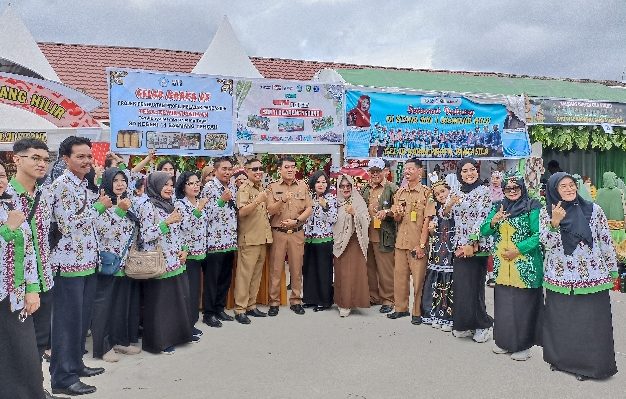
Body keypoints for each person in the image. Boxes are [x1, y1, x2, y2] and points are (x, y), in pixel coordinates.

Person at [540, 172, 618, 380]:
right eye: (562, 186)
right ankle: (562, 361)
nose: (568, 189)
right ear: (554, 191)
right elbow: (544, 245)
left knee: (590, 324)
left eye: (571, 185)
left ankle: (589, 367)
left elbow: (605, 241)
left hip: (592, 277)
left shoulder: (594, 210)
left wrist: (612, 270)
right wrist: (554, 224)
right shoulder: (547, 212)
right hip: (560, 278)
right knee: (563, 323)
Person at [49, 136, 112, 396]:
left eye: (89, 156)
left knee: (80, 322)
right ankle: (63, 378)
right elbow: (67, 224)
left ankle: (75, 364)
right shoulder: (61, 186)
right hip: (68, 266)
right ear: (66, 159)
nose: (87, 161)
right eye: (80, 156)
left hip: (87, 262)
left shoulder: (85, 185)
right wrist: (99, 207)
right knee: (66, 323)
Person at [7, 139, 57, 398]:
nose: (41, 163)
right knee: (18, 346)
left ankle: (36, 388)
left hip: (45, 280)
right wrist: (28, 287)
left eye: (45, 159)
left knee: (38, 342)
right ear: (17, 159)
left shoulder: (45, 194)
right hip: (17, 287)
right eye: (35, 158)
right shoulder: (6, 196)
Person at [480, 173, 543, 361]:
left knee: (524, 308)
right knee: (505, 307)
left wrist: (518, 250)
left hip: (525, 267)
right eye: (508, 188)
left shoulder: (532, 206)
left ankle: (523, 346)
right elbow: (484, 230)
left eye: (516, 188)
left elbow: (539, 235)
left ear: (522, 188)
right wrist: (494, 221)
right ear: (503, 190)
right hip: (502, 268)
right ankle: (504, 342)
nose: (512, 191)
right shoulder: (498, 206)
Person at [0, 160, 48, 399]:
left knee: (23, 352)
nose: (0, 181)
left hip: (15, 295)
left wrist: (32, 288)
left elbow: (28, 250)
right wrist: (7, 230)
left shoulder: (11, 205)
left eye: (1, 175)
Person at [140, 172, 195, 354]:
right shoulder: (148, 206)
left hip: (176, 259)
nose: (169, 188)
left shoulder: (172, 205)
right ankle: (160, 342)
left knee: (175, 302)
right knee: (160, 305)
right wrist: (167, 222)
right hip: (159, 261)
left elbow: (181, 231)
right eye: (165, 184)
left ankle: (177, 336)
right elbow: (146, 235)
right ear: (155, 186)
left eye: (171, 185)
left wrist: (184, 249)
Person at [92, 168, 139, 363]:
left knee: (121, 305)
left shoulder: (128, 202)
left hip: (125, 263)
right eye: (115, 180)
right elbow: (102, 231)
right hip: (109, 262)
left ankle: (120, 340)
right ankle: (103, 347)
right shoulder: (102, 203)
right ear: (107, 183)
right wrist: (120, 211)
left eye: (123, 180)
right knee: (104, 306)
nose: (120, 184)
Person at [448, 157, 494, 343]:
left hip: (477, 246)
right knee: (462, 287)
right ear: (459, 174)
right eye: (465, 171)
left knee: (474, 287)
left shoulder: (484, 192)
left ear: (477, 170)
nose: (469, 174)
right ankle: (464, 323)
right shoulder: (456, 190)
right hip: (459, 245)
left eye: (472, 170)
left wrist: (471, 242)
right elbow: (445, 213)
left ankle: (483, 325)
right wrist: (450, 203)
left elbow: (482, 218)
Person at [266, 156, 312, 316]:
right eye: (287, 167)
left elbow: (309, 208)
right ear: (280, 169)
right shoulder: (272, 187)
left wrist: (297, 221)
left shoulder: (302, 186)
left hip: (297, 233)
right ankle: (274, 302)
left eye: (293, 166)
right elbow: (270, 210)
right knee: (276, 269)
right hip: (278, 233)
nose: (291, 169)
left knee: (296, 268)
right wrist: (282, 201)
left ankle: (296, 300)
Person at [387, 158, 430, 325]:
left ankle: (417, 311)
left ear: (420, 172)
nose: (407, 171)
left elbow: (428, 220)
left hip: (416, 244)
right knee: (399, 277)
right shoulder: (400, 193)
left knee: (418, 279)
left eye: (411, 169)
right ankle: (400, 308)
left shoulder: (426, 193)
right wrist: (395, 213)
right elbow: (397, 219)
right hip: (401, 243)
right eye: (406, 169)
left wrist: (421, 245)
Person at [233, 159, 273, 324]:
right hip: (249, 239)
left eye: (260, 169)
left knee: (256, 276)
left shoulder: (261, 188)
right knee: (245, 276)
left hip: (262, 238)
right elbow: (241, 212)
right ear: (247, 171)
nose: (258, 171)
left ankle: (251, 305)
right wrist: (258, 200)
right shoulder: (244, 189)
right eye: (254, 169)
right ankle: (240, 309)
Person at [201, 157, 238, 327]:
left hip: (229, 241)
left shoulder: (231, 187)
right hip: (214, 242)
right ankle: (208, 313)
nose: (227, 172)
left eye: (230, 169)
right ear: (215, 170)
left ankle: (219, 308)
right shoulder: (209, 188)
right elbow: (206, 214)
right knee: (212, 280)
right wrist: (222, 200)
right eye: (224, 169)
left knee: (225, 278)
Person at [174, 171, 208, 335]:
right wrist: (199, 209)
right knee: (188, 292)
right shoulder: (180, 204)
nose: (195, 186)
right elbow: (184, 227)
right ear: (183, 186)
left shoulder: (199, 202)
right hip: (187, 254)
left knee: (195, 291)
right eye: (191, 183)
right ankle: (186, 326)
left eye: (197, 183)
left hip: (200, 252)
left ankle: (191, 323)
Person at [361, 158, 397, 314]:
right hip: (367, 235)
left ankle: (388, 299)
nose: (375, 174)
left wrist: (388, 212)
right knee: (370, 268)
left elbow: (398, 209)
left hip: (384, 235)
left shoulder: (392, 189)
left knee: (386, 270)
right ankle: (374, 296)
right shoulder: (365, 189)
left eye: (378, 171)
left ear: (384, 172)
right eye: (372, 171)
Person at [420, 174, 455, 332]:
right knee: (437, 282)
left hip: (451, 250)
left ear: (449, 190)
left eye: (443, 191)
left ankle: (448, 317)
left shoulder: (456, 206)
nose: (441, 195)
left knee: (449, 283)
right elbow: (435, 232)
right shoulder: (436, 210)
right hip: (438, 251)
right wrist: (432, 231)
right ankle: (435, 314)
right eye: (438, 194)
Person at [333, 174, 370, 317]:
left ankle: (352, 303)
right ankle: (342, 303)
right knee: (342, 274)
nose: (345, 188)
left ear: (352, 186)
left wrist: (355, 213)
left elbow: (367, 219)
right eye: (342, 186)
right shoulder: (335, 202)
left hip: (355, 241)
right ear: (339, 188)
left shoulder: (358, 201)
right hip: (340, 242)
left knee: (354, 273)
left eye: (348, 186)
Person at [302, 170, 337, 312]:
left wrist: (325, 207)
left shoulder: (330, 198)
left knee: (323, 271)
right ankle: (310, 299)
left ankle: (324, 301)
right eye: (318, 182)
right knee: (309, 270)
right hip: (309, 239)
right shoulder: (309, 197)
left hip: (324, 240)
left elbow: (333, 219)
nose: (321, 184)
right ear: (313, 183)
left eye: (323, 182)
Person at [595, 171, 626, 249]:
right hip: (618, 226)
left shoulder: (599, 192)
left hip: (603, 225)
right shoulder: (620, 192)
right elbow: (624, 207)